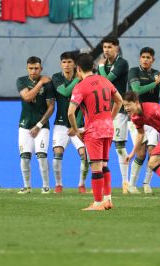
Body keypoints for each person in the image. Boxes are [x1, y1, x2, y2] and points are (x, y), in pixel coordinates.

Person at [68, 53, 124, 211]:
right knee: (105, 165)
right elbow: (119, 101)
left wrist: (76, 130)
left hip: (94, 130)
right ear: (92, 67)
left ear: (78, 69)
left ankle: (98, 203)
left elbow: (70, 113)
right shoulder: (105, 80)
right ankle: (108, 200)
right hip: (108, 128)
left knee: (96, 167)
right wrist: (109, 118)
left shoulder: (80, 86)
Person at [125, 47, 160, 194]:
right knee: (140, 153)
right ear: (139, 58)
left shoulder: (157, 74)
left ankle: (146, 183)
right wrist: (156, 83)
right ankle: (131, 184)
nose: (145, 60)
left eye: (148, 57)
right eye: (143, 57)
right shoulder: (134, 72)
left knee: (153, 152)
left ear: (153, 60)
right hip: (136, 117)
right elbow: (136, 91)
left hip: (153, 118)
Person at [16, 56, 55, 194]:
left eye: (36, 68)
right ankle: (27, 186)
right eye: (31, 68)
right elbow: (27, 97)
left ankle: (46, 186)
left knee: (41, 156)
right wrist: (40, 84)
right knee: (25, 157)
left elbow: (51, 107)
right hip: (24, 125)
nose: (33, 71)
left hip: (42, 126)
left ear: (41, 68)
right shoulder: (21, 81)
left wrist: (39, 125)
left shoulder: (49, 84)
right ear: (27, 68)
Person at [51, 52, 89, 194]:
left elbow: (83, 105)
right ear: (61, 64)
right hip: (60, 124)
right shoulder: (57, 78)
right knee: (57, 153)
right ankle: (59, 185)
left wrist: (76, 127)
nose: (66, 65)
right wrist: (77, 80)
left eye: (69, 62)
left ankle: (81, 185)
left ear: (75, 64)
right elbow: (65, 92)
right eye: (64, 62)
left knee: (84, 155)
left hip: (78, 125)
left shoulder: (83, 80)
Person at [97, 36, 130, 193]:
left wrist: (101, 67)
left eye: (109, 47)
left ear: (116, 48)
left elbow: (106, 81)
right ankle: (100, 182)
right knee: (101, 146)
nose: (106, 50)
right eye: (104, 47)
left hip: (119, 109)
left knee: (119, 146)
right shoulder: (103, 65)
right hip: (103, 110)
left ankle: (125, 182)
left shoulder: (122, 63)